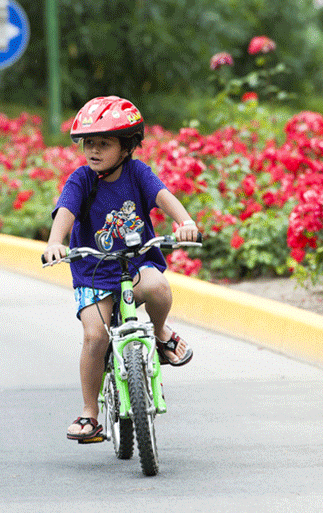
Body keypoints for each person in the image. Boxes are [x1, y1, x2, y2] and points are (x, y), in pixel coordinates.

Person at [42, 96, 198, 442]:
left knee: (158, 287)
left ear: (126, 148)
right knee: (95, 336)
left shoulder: (137, 174)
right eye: (89, 143)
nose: (94, 151)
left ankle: (159, 334)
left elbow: (163, 196)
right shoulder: (81, 179)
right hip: (94, 271)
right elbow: (66, 211)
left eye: (104, 144)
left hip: (135, 264)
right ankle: (89, 414)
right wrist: (56, 241)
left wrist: (185, 221)